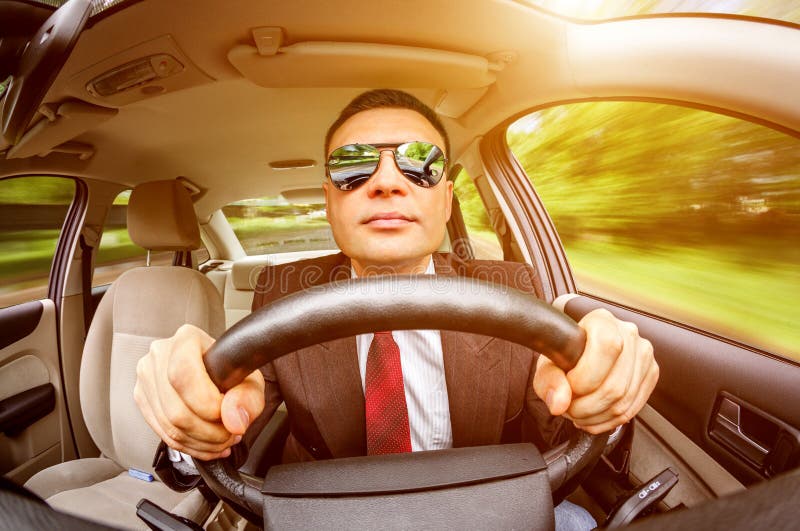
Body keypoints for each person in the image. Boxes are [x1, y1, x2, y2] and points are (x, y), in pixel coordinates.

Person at [134, 89, 658, 529]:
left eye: (420, 163)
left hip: (485, 513)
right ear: (328, 200)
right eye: (353, 165)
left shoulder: (510, 289)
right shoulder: (284, 290)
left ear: (447, 199)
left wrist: (598, 380)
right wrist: (194, 412)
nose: (386, 182)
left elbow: (554, 401)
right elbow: (239, 403)